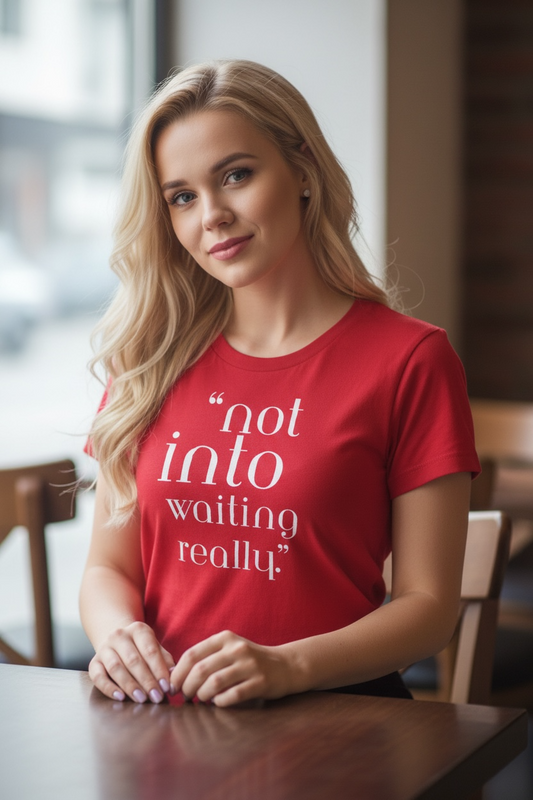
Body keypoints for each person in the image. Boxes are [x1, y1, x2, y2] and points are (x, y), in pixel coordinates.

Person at [80, 59, 480, 707]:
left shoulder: (410, 359)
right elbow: (108, 568)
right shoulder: (148, 360)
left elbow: (428, 606)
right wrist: (118, 636)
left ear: (300, 169)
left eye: (235, 175)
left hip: (338, 724)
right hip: (162, 728)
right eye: (181, 196)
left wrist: (287, 666)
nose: (210, 215)